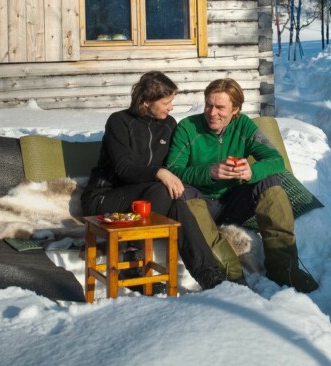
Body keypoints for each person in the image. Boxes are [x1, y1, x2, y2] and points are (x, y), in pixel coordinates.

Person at [165, 78, 319, 293]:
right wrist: (209, 172)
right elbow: (172, 170)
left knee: (269, 181)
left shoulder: (244, 126)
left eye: (220, 107)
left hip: (232, 201)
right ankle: (231, 276)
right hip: (199, 204)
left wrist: (251, 172)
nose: (212, 113)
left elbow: (275, 160)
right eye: (209, 105)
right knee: (183, 193)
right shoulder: (188, 128)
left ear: (235, 109)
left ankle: (284, 268)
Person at [80, 71, 226, 290]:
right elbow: (123, 169)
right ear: (146, 101)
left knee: (177, 202)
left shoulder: (168, 125)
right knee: (163, 191)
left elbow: (176, 163)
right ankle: (132, 261)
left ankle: (210, 276)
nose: (171, 108)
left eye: (171, 102)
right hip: (105, 199)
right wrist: (159, 172)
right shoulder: (119, 122)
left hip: (148, 201)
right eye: (166, 103)